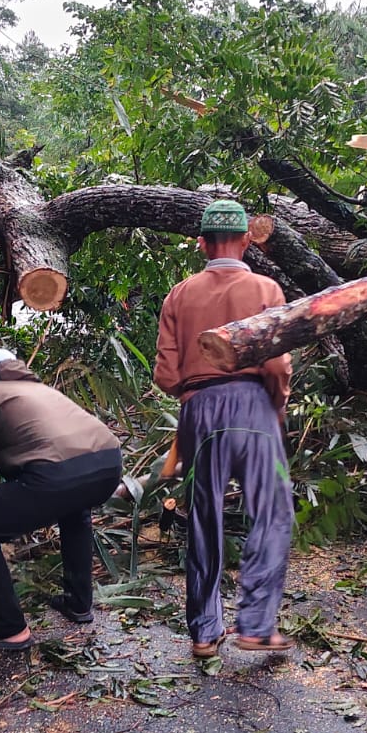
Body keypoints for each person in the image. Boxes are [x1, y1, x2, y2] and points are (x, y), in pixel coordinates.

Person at [154, 199, 296, 657]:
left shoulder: (179, 295)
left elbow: (167, 376)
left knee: (203, 519)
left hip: (200, 411)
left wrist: (198, 397)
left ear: (201, 243)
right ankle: (255, 624)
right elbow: (276, 362)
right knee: (272, 512)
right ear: (247, 240)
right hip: (254, 405)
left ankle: (204, 632)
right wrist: (274, 406)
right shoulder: (265, 289)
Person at [0, 349, 123, 652]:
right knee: (74, 510)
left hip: (57, 476)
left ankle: (8, 630)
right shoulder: (40, 389)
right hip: (109, 465)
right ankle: (79, 603)